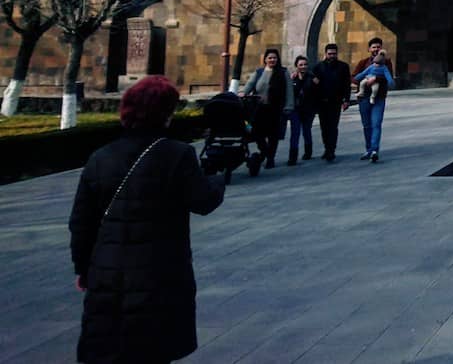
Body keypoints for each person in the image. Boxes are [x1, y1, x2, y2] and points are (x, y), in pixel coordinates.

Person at [69, 76, 225, 364]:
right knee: (153, 349)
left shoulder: (100, 157)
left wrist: (83, 268)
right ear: (164, 113)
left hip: (106, 272)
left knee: (110, 348)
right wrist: (216, 180)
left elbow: (81, 222)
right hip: (159, 272)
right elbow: (203, 201)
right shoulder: (177, 154)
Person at [241, 48, 294, 169]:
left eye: (274, 58)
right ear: (265, 59)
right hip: (259, 109)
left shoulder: (283, 72)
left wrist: (289, 106)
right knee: (256, 133)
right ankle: (265, 152)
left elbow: (289, 90)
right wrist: (243, 93)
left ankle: (270, 158)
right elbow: (250, 85)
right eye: (270, 58)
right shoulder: (259, 72)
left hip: (275, 109)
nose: (272, 60)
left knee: (273, 136)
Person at [352, 37, 395, 163]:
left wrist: (376, 79)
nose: (376, 49)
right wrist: (366, 79)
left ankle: (375, 150)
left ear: (381, 48)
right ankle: (369, 149)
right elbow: (354, 77)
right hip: (364, 97)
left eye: (378, 47)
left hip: (378, 97)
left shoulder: (386, 62)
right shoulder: (363, 62)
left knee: (376, 123)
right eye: (373, 47)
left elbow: (388, 78)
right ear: (369, 49)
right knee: (367, 125)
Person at [311, 43, 351, 162]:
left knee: (333, 127)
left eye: (334, 54)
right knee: (324, 127)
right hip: (322, 102)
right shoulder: (318, 67)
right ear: (325, 54)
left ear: (337, 54)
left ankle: (331, 150)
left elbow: (346, 84)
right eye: (330, 54)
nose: (332, 56)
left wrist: (346, 100)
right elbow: (312, 83)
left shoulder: (343, 67)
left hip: (335, 101)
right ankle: (327, 148)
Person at [287, 55, 318, 166]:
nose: (303, 67)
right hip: (295, 109)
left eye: (305, 64)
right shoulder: (292, 78)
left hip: (308, 109)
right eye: (301, 65)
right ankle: (293, 157)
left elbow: (317, 92)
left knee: (306, 130)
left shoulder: (312, 78)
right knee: (295, 132)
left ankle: (308, 152)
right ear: (296, 66)